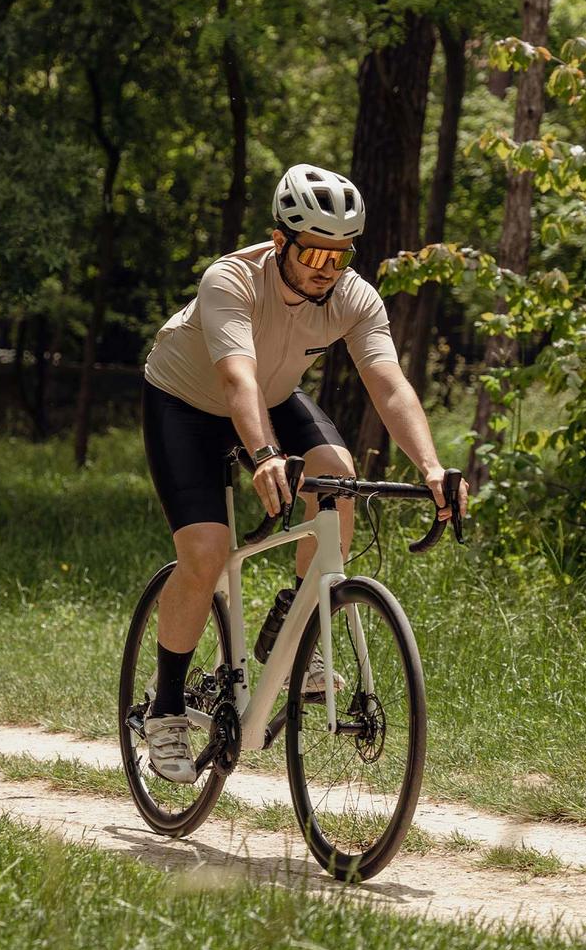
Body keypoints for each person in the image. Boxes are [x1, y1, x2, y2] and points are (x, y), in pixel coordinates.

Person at [140, 164, 468, 781]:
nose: (326, 266)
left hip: (269, 396)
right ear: (280, 239)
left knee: (337, 473)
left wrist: (430, 468)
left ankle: (290, 632)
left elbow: (389, 384)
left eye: (339, 254)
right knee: (206, 552)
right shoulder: (231, 280)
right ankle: (164, 708)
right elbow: (236, 378)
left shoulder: (352, 296)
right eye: (314, 250)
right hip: (186, 403)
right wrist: (263, 457)